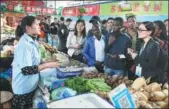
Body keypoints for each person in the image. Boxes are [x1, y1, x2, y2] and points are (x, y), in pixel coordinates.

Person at [12, 16, 60, 109]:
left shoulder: (32, 42)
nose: (40, 26)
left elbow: (33, 61)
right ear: (28, 28)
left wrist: (46, 61)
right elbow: (26, 70)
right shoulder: (24, 45)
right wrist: (48, 65)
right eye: (36, 24)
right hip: (23, 89)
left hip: (30, 86)